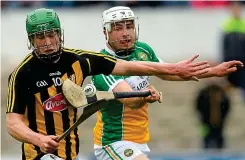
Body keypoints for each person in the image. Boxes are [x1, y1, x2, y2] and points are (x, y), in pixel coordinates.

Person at [6, 8, 216, 160]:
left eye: (51, 35)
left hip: (70, 151)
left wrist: (174, 69)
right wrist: (38, 139)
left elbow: (126, 67)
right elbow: (13, 124)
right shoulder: (22, 74)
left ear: (60, 34)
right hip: (39, 154)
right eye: (40, 37)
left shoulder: (79, 60)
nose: (48, 42)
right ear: (31, 40)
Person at [91, 6, 244, 160]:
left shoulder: (142, 50)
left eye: (129, 26)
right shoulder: (102, 65)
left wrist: (214, 71)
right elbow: (130, 100)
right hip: (113, 142)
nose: (126, 33)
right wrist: (145, 95)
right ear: (106, 32)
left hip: (138, 140)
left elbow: (170, 73)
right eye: (118, 28)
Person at [221, 1, 245, 103]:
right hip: (229, 61)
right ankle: (226, 103)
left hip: (243, 61)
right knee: (228, 84)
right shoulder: (226, 25)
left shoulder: (243, 25)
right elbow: (224, 46)